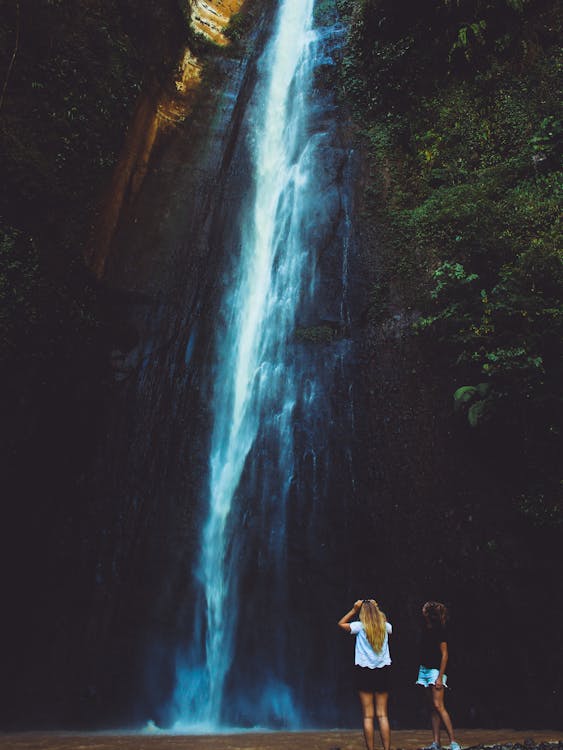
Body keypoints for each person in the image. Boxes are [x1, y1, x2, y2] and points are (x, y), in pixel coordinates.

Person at [338, 599, 392, 750]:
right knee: (382, 715)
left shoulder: (359, 626)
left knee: (368, 716)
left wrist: (354, 610)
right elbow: (385, 621)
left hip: (364, 672)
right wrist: (376, 608)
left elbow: (341, 624)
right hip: (383, 671)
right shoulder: (385, 627)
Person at [416, 601, 460, 750]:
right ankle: (436, 743)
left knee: (439, 706)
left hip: (435, 671)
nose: (421, 609)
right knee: (432, 708)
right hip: (424, 670)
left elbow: (445, 654)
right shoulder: (424, 627)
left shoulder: (440, 630)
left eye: (424, 608)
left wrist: (440, 676)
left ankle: (453, 742)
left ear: (428, 613)